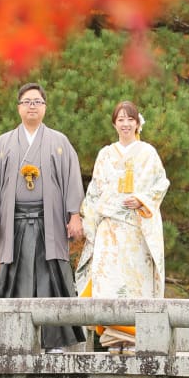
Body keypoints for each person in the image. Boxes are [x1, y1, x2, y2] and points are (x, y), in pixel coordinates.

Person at [0, 82, 86, 352]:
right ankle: (12, 340)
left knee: (52, 277)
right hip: (15, 223)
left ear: (45, 107)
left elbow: (72, 181)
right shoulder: (5, 142)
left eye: (37, 101)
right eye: (27, 102)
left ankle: (55, 343)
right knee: (15, 278)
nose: (32, 106)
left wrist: (75, 216)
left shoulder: (59, 141)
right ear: (18, 108)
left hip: (51, 222)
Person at [75, 100, 169, 352]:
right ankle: (112, 339)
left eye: (130, 119)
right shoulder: (105, 154)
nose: (125, 123)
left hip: (136, 230)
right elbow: (94, 191)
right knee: (108, 282)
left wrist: (141, 199)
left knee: (135, 282)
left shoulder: (147, 153)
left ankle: (135, 339)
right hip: (109, 230)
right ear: (114, 124)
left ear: (138, 123)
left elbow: (160, 184)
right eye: (120, 119)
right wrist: (89, 224)